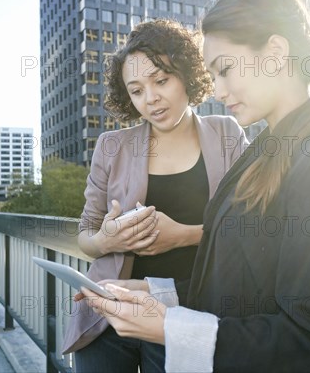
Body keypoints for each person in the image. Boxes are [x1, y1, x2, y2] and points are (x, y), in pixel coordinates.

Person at [81, 0, 310, 372]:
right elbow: (244, 285)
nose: (219, 90)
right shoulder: (261, 156)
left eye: (225, 70)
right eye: (213, 75)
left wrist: (169, 325)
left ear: (276, 52)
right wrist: (157, 294)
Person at [63, 19, 248, 372]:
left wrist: (183, 236)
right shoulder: (111, 146)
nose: (151, 99)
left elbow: (249, 228)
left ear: (187, 75)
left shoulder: (226, 134)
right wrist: (105, 239)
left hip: (185, 312)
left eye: (161, 81)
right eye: (136, 90)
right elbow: (85, 237)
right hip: (111, 308)